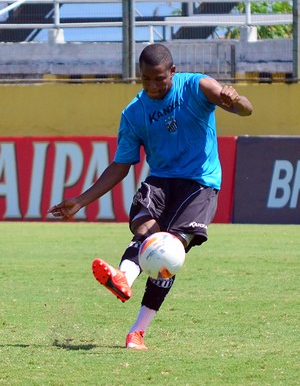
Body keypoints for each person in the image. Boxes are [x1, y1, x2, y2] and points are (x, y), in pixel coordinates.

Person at [48, 43, 253, 350]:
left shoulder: (197, 87)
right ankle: (124, 279)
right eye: (147, 80)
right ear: (139, 76)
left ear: (173, 71)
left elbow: (245, 109)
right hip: (160, 181)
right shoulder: (134, 113)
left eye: (160, 79)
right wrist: (81, 201)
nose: (154, 86)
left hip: (199, 183)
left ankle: (137, 331)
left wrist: (236, 100)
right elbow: (120, 166)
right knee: (144, 228)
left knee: (168, 252)